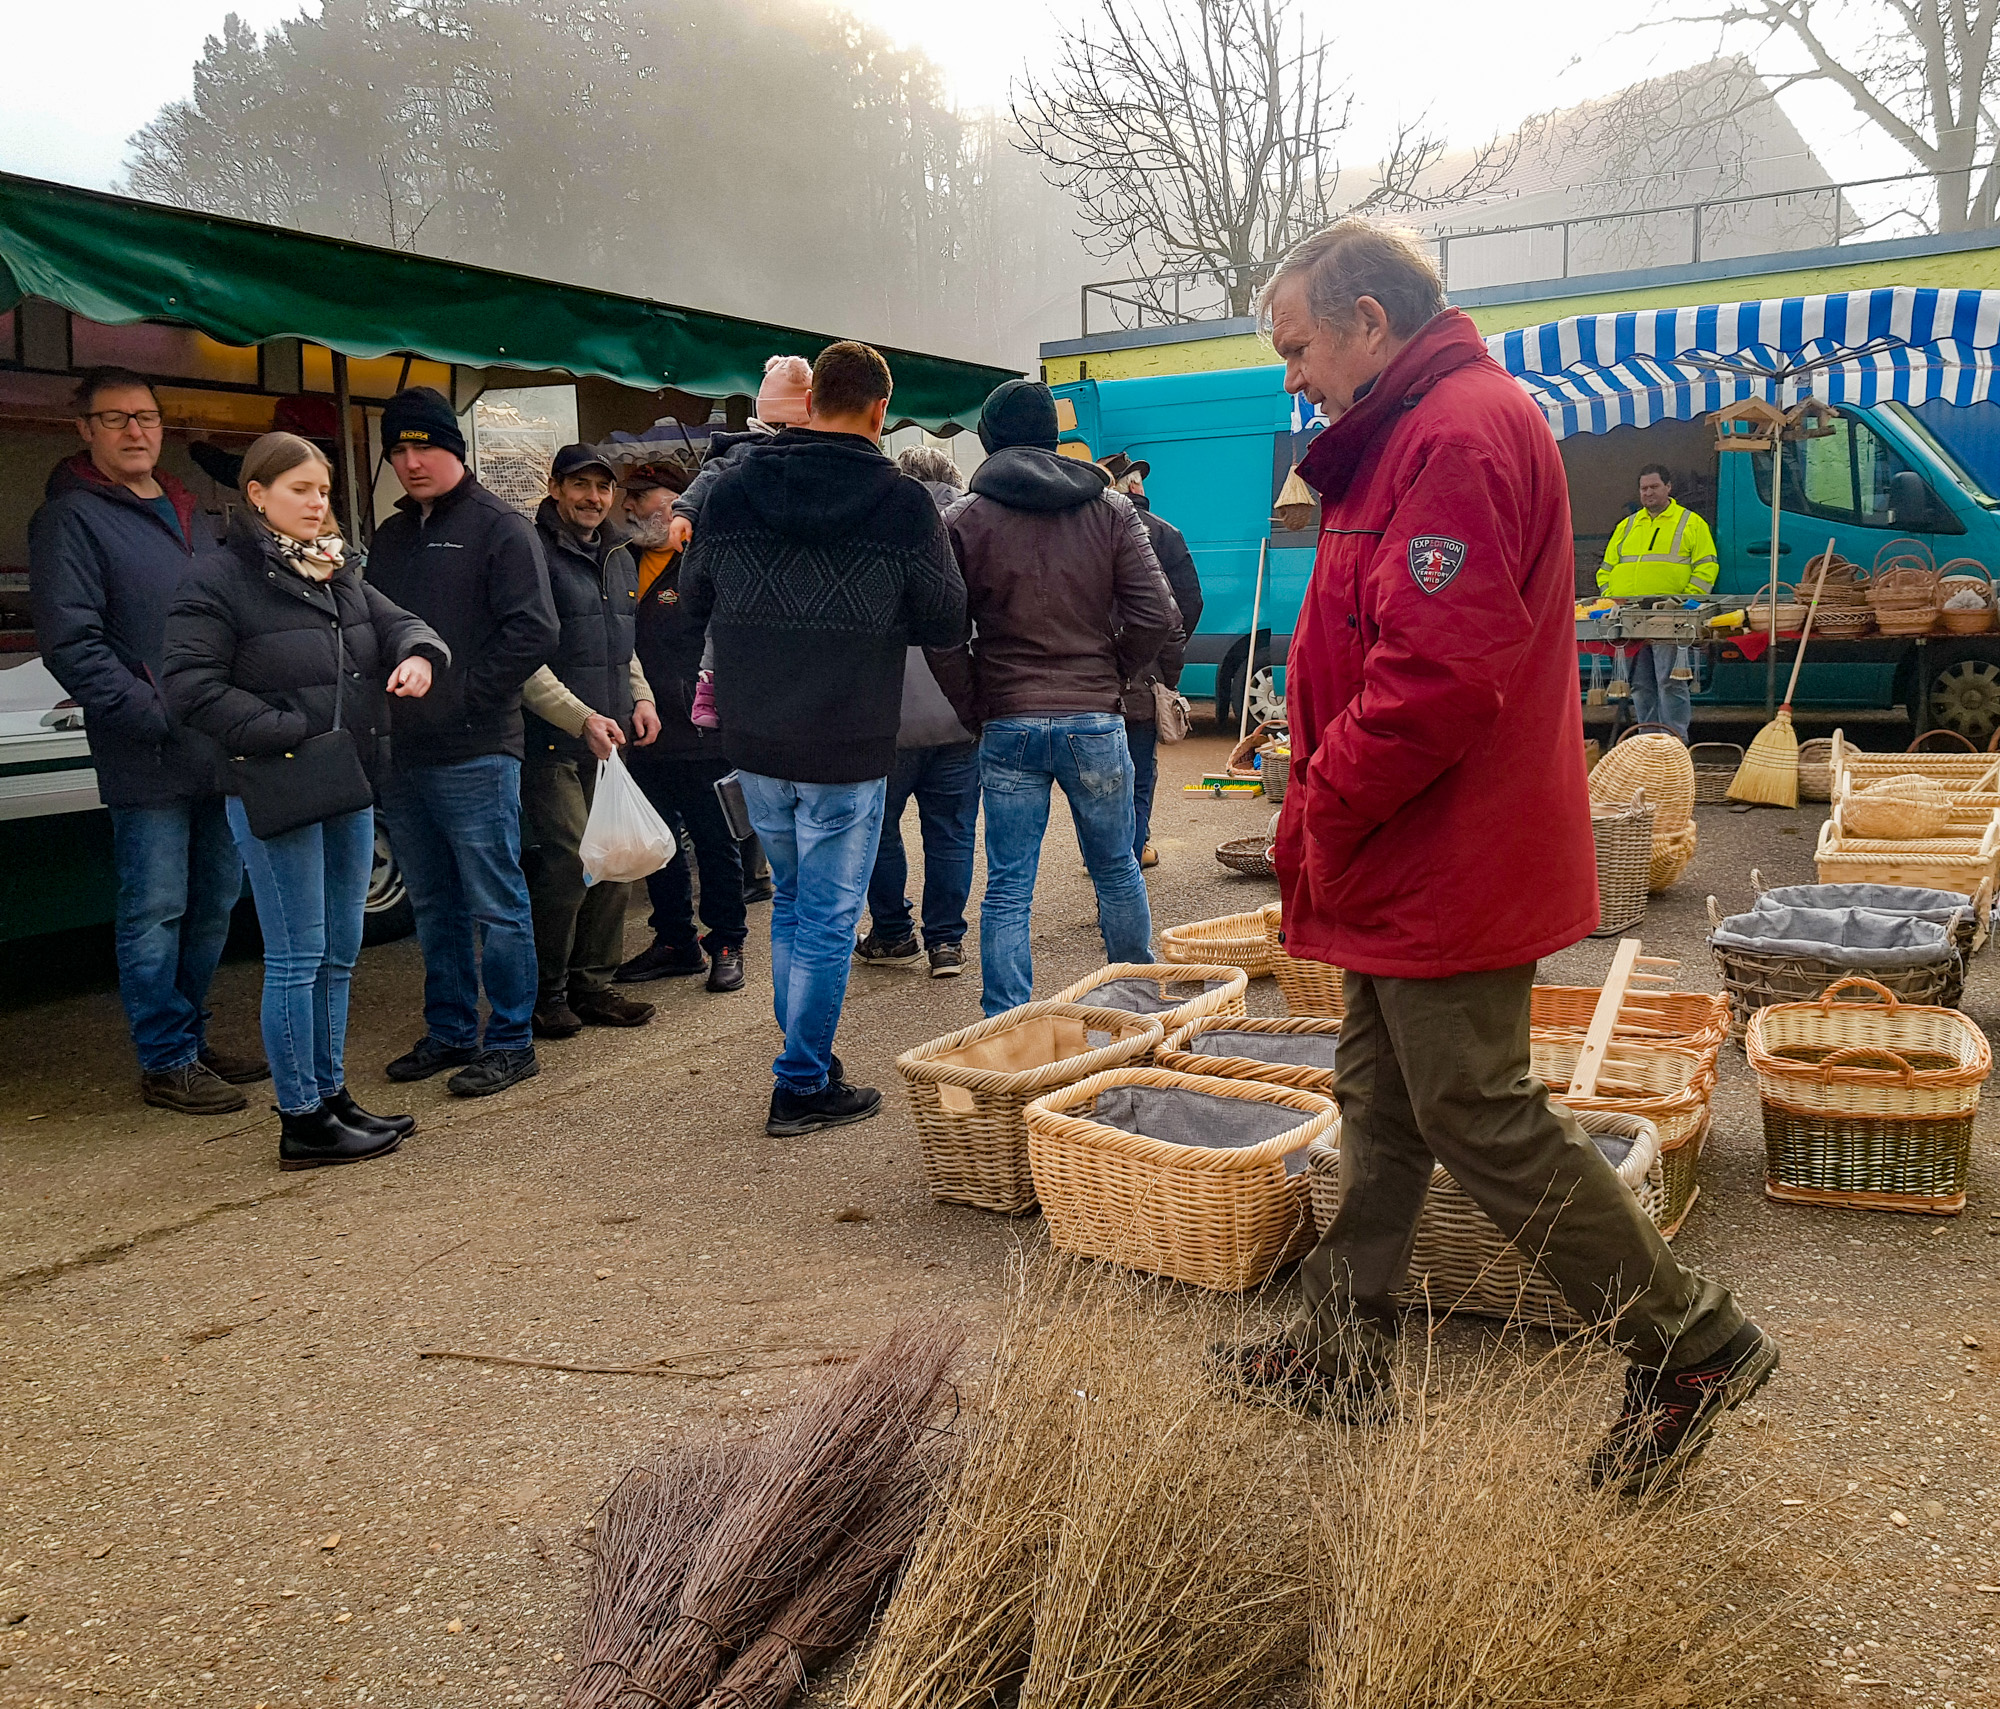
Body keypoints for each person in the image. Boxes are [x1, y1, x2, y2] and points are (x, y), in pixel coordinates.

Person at [1228, 220, 1773, 1494]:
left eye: (1298, 348)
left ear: (1369, 321)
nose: (1292, 377)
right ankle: (1339, 1343)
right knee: (1378, 1095)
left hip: (1439, 844)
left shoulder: (1457, 432)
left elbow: (1431, 680)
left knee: (1473, 1106)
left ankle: (1688, 1341)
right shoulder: (1404, 429)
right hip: (1404, 841)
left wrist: (1320, 803)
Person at [681, 341, 966, 1137]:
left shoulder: (731, 491)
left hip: (755, 735)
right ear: (881, 409)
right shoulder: (904, 503)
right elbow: (947, 617)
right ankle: (802, 1082)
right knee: (830, 918)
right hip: (847, 736)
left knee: (795, 905)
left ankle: (805, 1061)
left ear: (808, 404)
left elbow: (694, 595)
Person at [162, 433, 448, 1169]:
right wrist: (292, 730)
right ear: (257, 495)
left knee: (340, 951)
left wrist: (418, 655)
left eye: (322, 490)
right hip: (278, 781)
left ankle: (331, 1094)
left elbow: (400, 624)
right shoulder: (217, 578)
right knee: (297, 955)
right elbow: (190, 687)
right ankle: (301, 1119)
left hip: (345, 780)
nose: (318, 503)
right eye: (300, 490)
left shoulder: (335, 567)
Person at [29, 366, 265, 1115]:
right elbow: (72, 642)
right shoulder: (70, 520)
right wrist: (156, 711)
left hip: (216, 744)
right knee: (156, 908)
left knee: (215, 902)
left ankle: (190, 1037)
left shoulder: (189, 509)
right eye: (115, 418)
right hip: (148, 749)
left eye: (146, 417)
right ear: (85, 430)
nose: (135, 431)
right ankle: (165, 1059)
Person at [934, 379, 1179, 1018]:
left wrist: (975, 703)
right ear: (1052, 435)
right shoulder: (1111, 510)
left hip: (1008, 717)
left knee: (1009, 886)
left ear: (988, 439)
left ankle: (1006, 1025)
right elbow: (1159, 614)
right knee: (1117, 868)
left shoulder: (961, 518)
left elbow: (942, 634)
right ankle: (1138, 1009)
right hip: (1094, 717)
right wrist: (1113, 673)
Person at [365, 386, 560, 1098]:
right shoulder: (389, 537)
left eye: (425, 447)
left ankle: (510, 1040)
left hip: (478, 750)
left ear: (456, 448)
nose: (411, 462)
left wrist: (461, 694)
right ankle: (449, 1029)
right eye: (398, 450)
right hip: (403, 752)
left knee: (495, 901)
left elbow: (534, 630)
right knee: (432, 902)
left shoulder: (500, 527)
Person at [520, 444, 662, 1038]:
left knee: (616, 859)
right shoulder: (530, 552)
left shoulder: (619, 555)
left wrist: (642, 698)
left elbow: (621, 646)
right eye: (580, 485)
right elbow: (523, 655)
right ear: (555, 488)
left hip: (608, 742)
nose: (593, 498)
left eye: (603, 488)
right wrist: (579, 717)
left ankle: (592, 985)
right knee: (569, 862)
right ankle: (546, 993)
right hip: (552, 740)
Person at [612, 460, 748, 995]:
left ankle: (727, 943)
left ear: (676, 501)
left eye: (641, 495)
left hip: (701, 731)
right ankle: (674, 941)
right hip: (641, 731)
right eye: (629, 495)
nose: (628, 505)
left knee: (716, 842)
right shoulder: (620, 561)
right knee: (656, 842)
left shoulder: (705, 557)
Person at [852, 446, 981, 979]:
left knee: (877, 828)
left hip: (886, 716)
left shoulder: (874, 526)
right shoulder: (971, 527)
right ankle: (946, 942)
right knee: (951, 831)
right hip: (958, 713)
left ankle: (891, 933)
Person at [1100, 451, 1203, 869]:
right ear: (1131, 486)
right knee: (1140, 771)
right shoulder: (1164, 533)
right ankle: (1133, 850)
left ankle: (1104, 853)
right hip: (1144, 679)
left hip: (1092, 678)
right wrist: (1166, 666)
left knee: (1098, 777)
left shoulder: (1084, 530)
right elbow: (1188, 604)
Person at [1596, 464, 1718, 742]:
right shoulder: (1627, 526)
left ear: (1668, 487)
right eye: (1644, 488)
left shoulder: (1690, 523)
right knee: (1640, 685)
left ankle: (1674, 743)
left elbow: (1707, 566)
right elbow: (1605, 569)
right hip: (1629, 616)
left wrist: (1684, 601)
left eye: (1654, 487)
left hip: (1669, 616)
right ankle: (1648, 743)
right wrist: (1611, 597)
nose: (1648, 493)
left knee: (1670, 682)